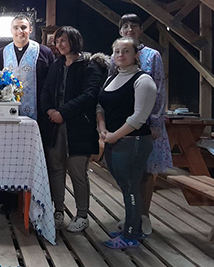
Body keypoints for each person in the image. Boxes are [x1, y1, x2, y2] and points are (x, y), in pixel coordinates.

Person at [40, 26, 107, 232]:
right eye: (57, 40)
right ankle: (58, 211)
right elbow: (46, 91)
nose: (60, 44)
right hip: (54, 127)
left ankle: (82, 214)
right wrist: (50, 110)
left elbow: (90, 95)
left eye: (64, 40)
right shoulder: (56, 64)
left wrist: (63, 112)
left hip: (79, 126)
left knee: (78, 171)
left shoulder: (89, 65)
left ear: (74, 41)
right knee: (56, 169)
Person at [115, 13, 172, 236]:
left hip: (147, 123)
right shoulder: (116, 55)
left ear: (140, 30)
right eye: (125, 26)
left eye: (134, 26)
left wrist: (156, 121)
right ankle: (131, 215)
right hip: (124, 123)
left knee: (146, 172)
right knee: (128, 172)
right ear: (120, 31)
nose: (129, 29)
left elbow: (159, 90)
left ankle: (144, 215)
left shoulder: (152, 56)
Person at [97, 37, 157, 248]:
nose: (121, 55)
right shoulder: (111, 79)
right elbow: (100, 106)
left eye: (126, 51)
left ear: (136, 55)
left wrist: (114, 136)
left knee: (131, 188)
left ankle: (131, 235)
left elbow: (139, 117)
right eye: (117, 51)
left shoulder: (143, 81)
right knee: (126, 187)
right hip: (114, 140)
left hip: (133, 142)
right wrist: (103, 129)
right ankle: (133, 226)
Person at [0, 14, 54, 215]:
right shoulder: (1, 53)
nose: (20, 31)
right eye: (16, 28)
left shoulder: (44, 52)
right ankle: (8, 199)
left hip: (37, 115)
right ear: (11, 31)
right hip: (7, 116)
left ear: (30, 30)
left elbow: (50, 84)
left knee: (35, 157)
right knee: (7, 157)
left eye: (24, 27)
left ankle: (36, 199)